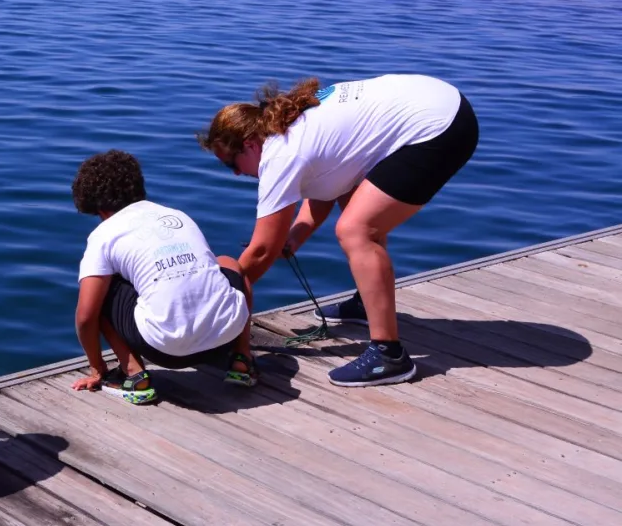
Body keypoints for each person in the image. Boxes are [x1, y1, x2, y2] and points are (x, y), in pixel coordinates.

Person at [197, 74, 479, 387]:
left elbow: (263, 249)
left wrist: (217, 301)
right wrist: (296, 236)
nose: (236, 174)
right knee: (356, 201)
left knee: (357, 229)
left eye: (231, 164)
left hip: (438, 127)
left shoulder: (282, 153)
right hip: (440, 102)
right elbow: (331, 182)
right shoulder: (288, 125)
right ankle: (364, 302)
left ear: (249, 145)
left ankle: (389, 355)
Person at [70, 149, 256, 405]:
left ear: (96, 206)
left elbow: (85, 317)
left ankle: (134, 375)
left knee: (100, 293)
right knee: (228, 263)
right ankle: (242, 360)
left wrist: (97, 368)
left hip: (164, 350)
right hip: (224, 337)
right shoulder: (177, 215)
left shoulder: (104, 235)